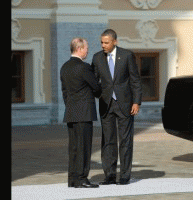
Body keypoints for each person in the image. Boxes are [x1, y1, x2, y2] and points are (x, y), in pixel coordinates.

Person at [91, 29, 142, 185]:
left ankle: (125, 175)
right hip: (106, 105)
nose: (103, 45)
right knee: (108, 141)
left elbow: (135, 80)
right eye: (101, 42)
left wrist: (136, 102)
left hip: (125, 105)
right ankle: (110, 175)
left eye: (106, 42)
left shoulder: (127, 56)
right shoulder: (97, 58)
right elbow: (94, 81)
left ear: (115, 41)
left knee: (125, 141)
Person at [60, 38, 101, 188]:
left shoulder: (64, 67)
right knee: (84, 147)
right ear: (79, 49)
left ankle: (72, 179)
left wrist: (71, 106)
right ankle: (82, 179)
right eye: (86, 48)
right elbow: (96, 88)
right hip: (84, 113)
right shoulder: (83, 67)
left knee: (74, 148)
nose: (88, 50)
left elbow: (64, 92)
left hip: (71, 112)